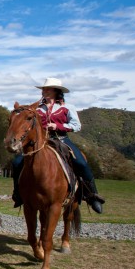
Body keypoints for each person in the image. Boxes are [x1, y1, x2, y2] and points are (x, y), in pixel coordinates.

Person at [11, 77, 105, 214]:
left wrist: (58, 125)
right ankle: (18, 193)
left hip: (61, 139)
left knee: (81, 163)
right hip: (41, 141)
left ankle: (92, 195)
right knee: (17, 162)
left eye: (47, 89)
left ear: (56, 91)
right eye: (44, 89)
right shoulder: (36, 108)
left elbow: (76, 126)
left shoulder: (67, 108)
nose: (44, 91)